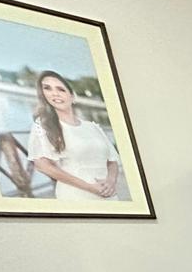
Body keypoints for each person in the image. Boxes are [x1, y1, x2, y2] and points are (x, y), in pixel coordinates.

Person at [26, 70, 121, 201]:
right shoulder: (43, 126)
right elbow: (42, 165)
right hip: (76, 195)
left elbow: (112, 160)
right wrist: (90, 187)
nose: (55, 93)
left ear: (72, 96)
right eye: (47, 88)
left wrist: (111, 182)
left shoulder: (93, 127)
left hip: (108, 195)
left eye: (61, 89)